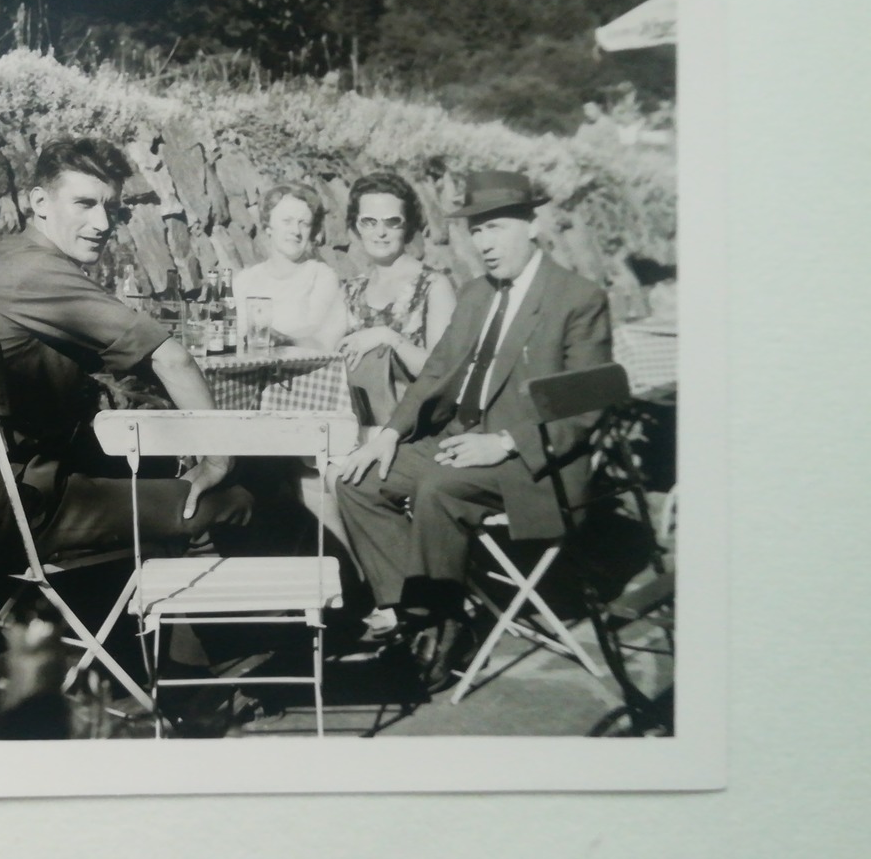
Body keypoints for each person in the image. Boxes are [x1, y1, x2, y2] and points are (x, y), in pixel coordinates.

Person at [0, 136, 252, 580]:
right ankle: (219, 641)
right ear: (40, 202)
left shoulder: (7, 257)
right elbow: (172, 360)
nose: (103, 222)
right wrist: (219, 458)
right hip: (12, 509)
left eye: (112, 208)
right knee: (232, 496)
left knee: (166, 467)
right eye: (85, 204)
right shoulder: (34, 270)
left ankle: (164, 629)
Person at [335, 170, 612, 689]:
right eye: (477, 231)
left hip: (534, 461)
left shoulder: (577, 298)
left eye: (497, 228)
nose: (484, 243)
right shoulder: (478, 294)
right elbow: (438, 371)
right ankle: (414, 615)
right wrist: (391, 434)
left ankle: (435, 635)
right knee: (357, 482)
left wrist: (504, 442)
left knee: (438, 489)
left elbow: (587, 404)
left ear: (533, 225)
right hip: (458, 443)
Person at [337, 171, 457, 427]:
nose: (380, 232)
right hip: (357, 424)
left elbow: (441, 374)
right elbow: (324, 350)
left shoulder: (433, 286)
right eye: (369, 221)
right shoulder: (351, 291)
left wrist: (388, 337)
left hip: (413, 428)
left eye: (392, 222)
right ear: (356, 226)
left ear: (409, 226)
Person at [232, 181, 348, 352]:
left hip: (302, 373)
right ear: (268, 226)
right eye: (287, 221)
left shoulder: (321, 277)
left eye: (304, 223)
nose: (296, 230)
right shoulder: (244, 281)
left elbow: (323, 340)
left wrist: (284, 340)